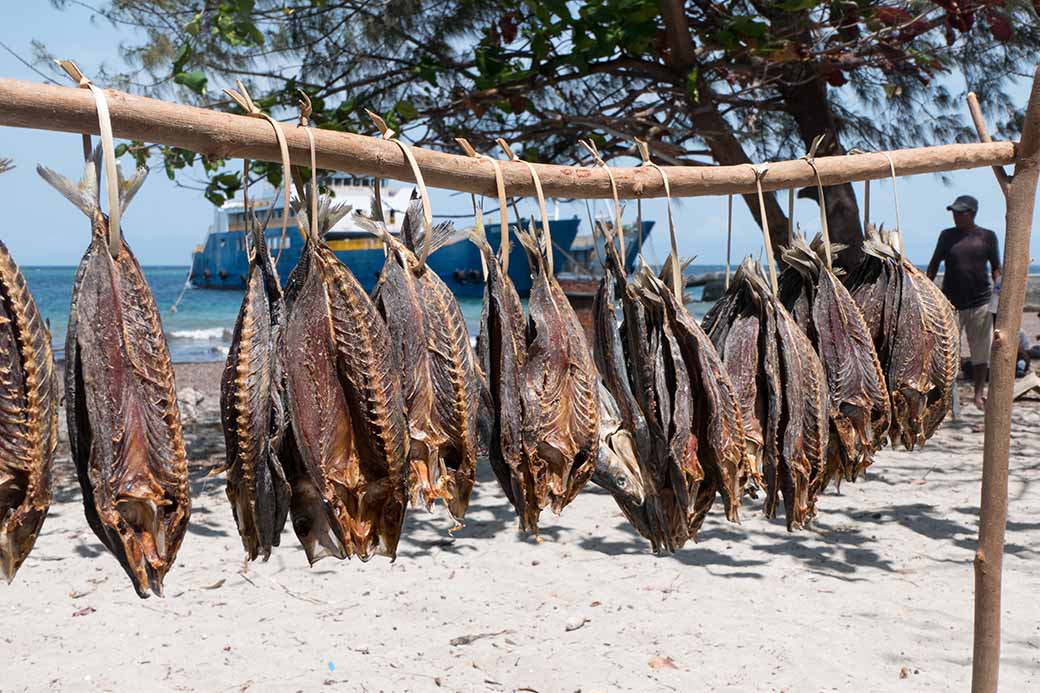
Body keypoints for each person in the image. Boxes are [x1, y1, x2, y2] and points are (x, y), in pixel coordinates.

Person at [926, 194, 1001, 410]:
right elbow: (933, 265)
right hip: (950, 304)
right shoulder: (946, 236)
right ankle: (946, 395)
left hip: (981, 302)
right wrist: (926, 291)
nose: (957, 216)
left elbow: (996, 266)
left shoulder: (987, 236)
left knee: (980, 351)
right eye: (954, 212)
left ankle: (978, 394)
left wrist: (999, 289)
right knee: (947, 351)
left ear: (973, 213)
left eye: (961, 212)